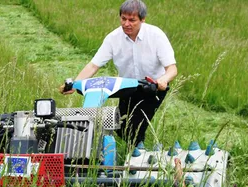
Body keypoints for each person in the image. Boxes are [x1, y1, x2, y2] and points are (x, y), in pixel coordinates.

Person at [60, 0, 177, 151]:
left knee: (135, 126)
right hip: (127, 87)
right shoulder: (113, 38)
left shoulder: (156, 36)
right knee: (120, 126)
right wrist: (75, 84)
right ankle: (137, 152)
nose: (126, 24)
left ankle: (139, 155)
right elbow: (94, 65)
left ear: (142, 19)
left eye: (132, 20)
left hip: (152, 88)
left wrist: (163, 79)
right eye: (123, 19)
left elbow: (172, 69)